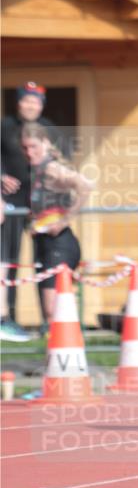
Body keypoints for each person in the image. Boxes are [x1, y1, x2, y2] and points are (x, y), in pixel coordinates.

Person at [1, 82, 60, 340]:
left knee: (44, 260)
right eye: (26, 100)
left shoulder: (49, 129)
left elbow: (61, 159)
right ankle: (7, 319)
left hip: (40, 204)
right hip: (11, 203)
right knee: (9, 259)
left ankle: (49, 320)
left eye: (35, 102)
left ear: (41, 105)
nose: (30, 105)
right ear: (19, 103)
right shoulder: (4, 126)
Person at [21, 122, 92, 325]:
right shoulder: (35, 171)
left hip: (60, 244)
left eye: (33, 146)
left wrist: (64, 221)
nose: (29, 152)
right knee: (50, 313)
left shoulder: (52, 168)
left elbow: (86, 186)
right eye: (25, 148)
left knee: (53, 311)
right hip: (43, 244)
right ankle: (58, 344)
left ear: (45, 143)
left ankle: (68, 343)